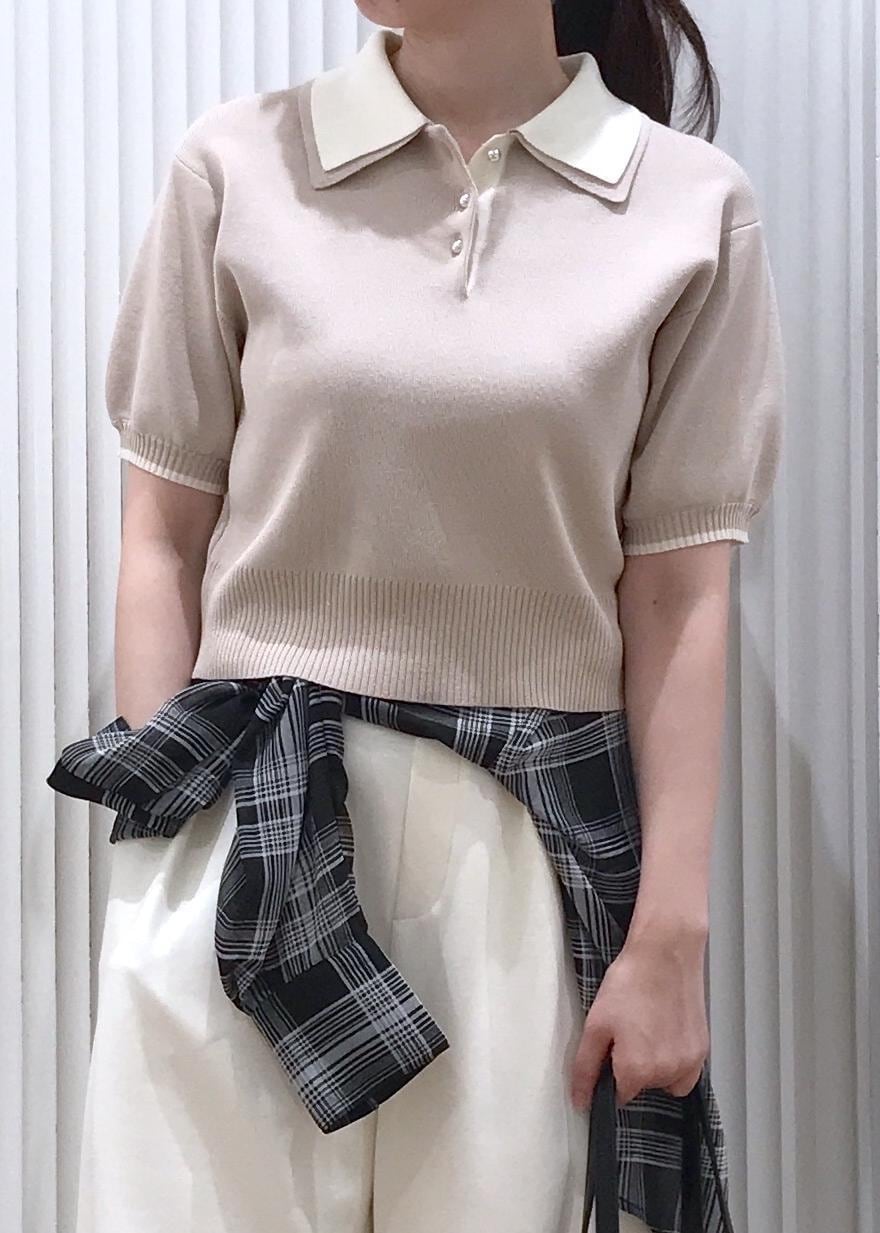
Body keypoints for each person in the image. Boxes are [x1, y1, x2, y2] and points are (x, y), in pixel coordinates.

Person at [49, 2, 785, 1232]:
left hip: (521, 862)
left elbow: (677, 596)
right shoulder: (238, 164)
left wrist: (671, 938)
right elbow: (161, 534)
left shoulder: (689, 207)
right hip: (252, 832)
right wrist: (165, 866)